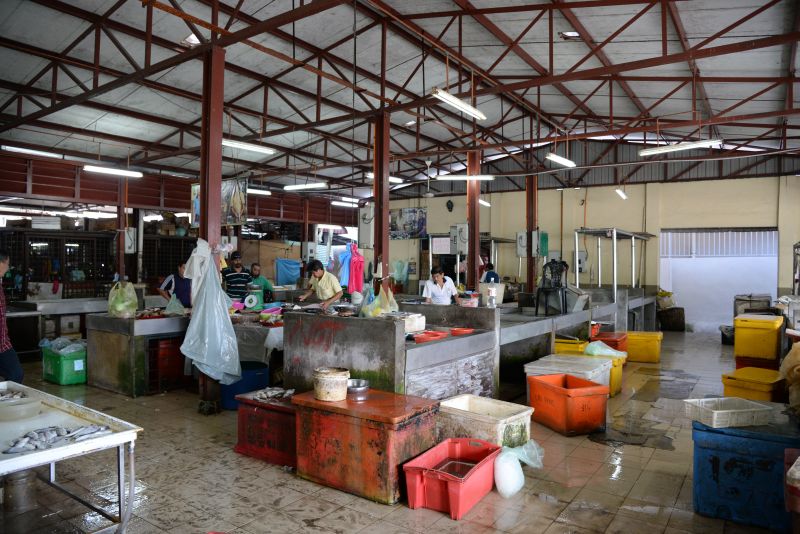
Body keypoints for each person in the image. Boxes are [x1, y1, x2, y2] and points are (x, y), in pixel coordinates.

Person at [0, 249, 23, 383]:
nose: (8, 267)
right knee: (15, 374)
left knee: (16, 374)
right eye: (7, 264)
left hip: (3, 343)